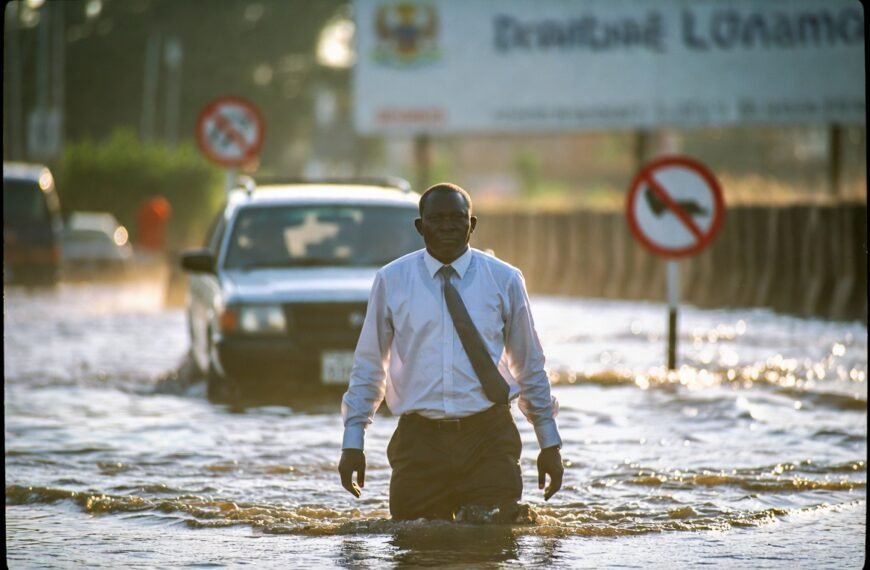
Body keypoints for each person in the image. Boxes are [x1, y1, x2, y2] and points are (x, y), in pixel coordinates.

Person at [338, 182, 563, 522]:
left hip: (489, 439)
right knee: (416, 544)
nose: (447, 226)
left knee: (491, 543)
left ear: (471, 224)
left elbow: (530, 365)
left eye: (457, 218)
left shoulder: (505, 280)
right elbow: (369, 367)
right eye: (437, 218)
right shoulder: (392, 280)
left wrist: (549, 443)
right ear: (420, 226)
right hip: (419, 442)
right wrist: (353, 442)